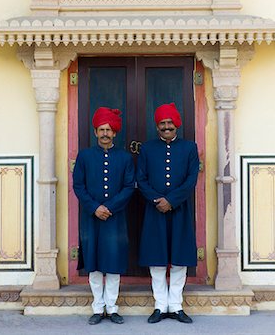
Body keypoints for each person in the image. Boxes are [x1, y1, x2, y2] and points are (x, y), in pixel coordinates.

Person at [137, 102, 199, 324]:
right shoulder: (147, 148)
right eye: (162, 123)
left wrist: (171, 200)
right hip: (155, 210)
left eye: (170, 123)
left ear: (177, 125)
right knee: (157, 259)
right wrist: (157, 200)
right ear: (157, 126)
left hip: (180, 209)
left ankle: (176, 305)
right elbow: (141, 179)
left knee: (180, 258)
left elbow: (191, 179)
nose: (166, 127)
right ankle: (160, 305)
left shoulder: (189, 148)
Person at [73, 107, 135, 325]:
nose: (105, 133)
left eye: (109, 129)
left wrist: (109, 207)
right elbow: (78, 186)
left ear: (115, 133)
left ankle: (112, 307)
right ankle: (98, 309)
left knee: (113, 263)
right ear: (95, 132)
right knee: (95, 263)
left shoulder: (125, 158)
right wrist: (94, 208)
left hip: (115, 218)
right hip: (91, 218)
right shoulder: (84, 156)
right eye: (101, 129)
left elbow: (129, 187)